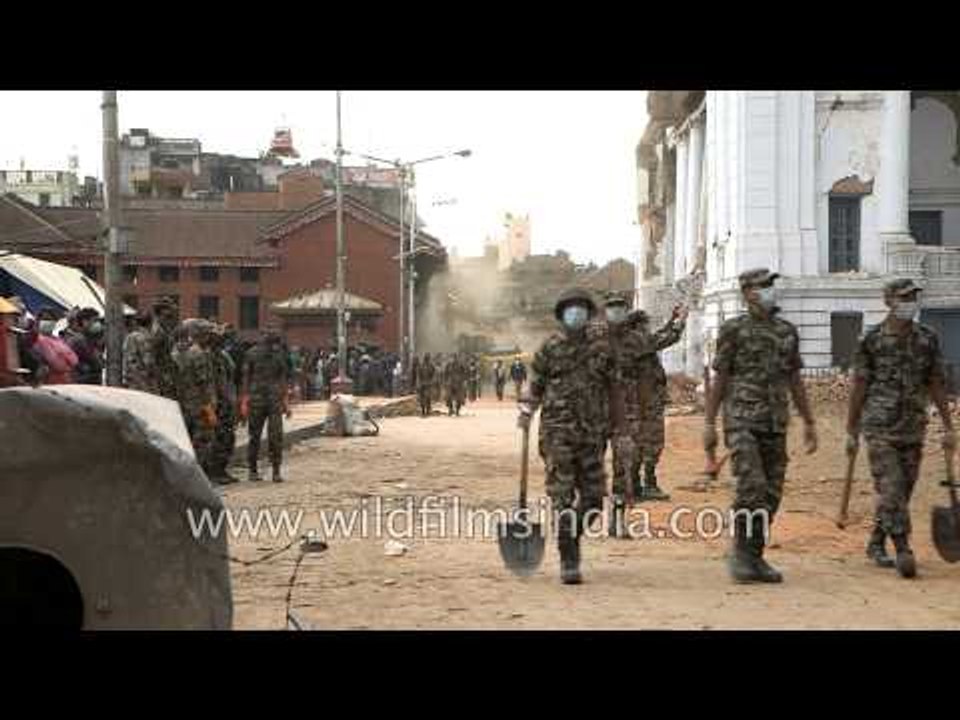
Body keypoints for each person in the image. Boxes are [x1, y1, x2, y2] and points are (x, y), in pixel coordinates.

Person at [704, 268, 818, 584]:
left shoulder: (786, 331)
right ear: (748, 293)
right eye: (763, 286)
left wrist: (808, 421)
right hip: (741, 419)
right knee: (751, 486)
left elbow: (794, 377)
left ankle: (754, 555)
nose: (770, 290)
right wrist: (709, 423)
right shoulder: (733, 330)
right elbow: (721, 377)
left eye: (771, 285)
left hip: (775, 421)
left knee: (771, 493)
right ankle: (741, 554)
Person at [846, 278, 956, 578]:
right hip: (879, 427)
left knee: (901, 491)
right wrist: (851, 429)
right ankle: (903, 548)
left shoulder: (926, 338)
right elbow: (859, 385)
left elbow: (935, 381)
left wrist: (948, 426)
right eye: (904, 297)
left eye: (913, 297)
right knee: (892, 487)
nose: (910, 302)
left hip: (912, 426)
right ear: (889, 301)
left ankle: (876, 542)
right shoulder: (871, 340)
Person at [519, 288, 613, 585]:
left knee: (595, 498)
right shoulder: (550, 348)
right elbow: (535, 386)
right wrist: (526, 411)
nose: (576, 313)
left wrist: (621, 429)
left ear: (588, 314)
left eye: (581, 308)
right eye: (570, 308)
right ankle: (569, 558)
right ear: (562, 314)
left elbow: (615, 390)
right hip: (557, 433)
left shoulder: (602, 350)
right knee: (562, 497)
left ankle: (569, 534)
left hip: (592, 434)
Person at [241, 326, 291, 483]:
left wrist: (285, 401)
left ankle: (275, 471)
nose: (273, 344)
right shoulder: (252, 354)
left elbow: (282, 379)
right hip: (257, 400)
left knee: (275, 436)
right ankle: (253, 470)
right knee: (255, 436)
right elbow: (246, 378)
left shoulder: (279, 355)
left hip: (273, 400)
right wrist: (244, 400)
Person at [175, 319, 219, 479]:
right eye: (207, 334)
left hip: (183, 405)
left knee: (186, 443)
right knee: (204, 442)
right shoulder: (198, 354)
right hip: (199, 406)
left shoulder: (178, 352)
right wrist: (210, 409)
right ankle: (198, 479)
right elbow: (204, 383)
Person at [208, 325, 240, 484]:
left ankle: (221, 470)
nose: (222, 340)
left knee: (228, 437)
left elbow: (231, 379)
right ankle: (214, 472)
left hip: (226, 402)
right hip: (215, 404)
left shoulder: (223, 356)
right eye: (219, 337)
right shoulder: (206, 356)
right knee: (216, 439)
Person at [30, 308, 78, 385]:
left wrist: (62, 357)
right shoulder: (40, 340)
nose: (47, 322)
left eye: (50, 319)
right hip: (50, 382)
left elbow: (74, 359)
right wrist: (65, 358)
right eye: (44, 319)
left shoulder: (58, 339)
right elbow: (57, 364)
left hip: (65, 380)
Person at [122, 311, 154, 392]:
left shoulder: (129, 336)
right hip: (141, 379)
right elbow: (147, 361)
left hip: (130, 377)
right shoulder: (143, 338)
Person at [416, 353, 436, 417]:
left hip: (428, 384)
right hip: (422, 384)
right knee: (422, 399)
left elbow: (433, 374)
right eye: (426, 358)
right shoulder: (421, 366)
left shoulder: (431, 366)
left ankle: (427, 410)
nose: (426, 359)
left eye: (427, 358)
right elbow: (418, 375)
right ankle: (423, 411)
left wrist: (432, 382)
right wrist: (418, 383)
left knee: (428, 398)